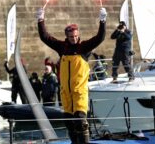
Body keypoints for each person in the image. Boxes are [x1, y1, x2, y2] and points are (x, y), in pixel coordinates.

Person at [37, 7, 107, 143]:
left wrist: (102, 21)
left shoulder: (84, 47)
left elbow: (100, 37)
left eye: (76, 36)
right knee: (69, 123)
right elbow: (45, 37)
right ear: (66, 37)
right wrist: (40, 20)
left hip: (79, 91)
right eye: (71, 37)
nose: (74, 39)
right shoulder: (62, 47)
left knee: (81, 121)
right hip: (66, 92)